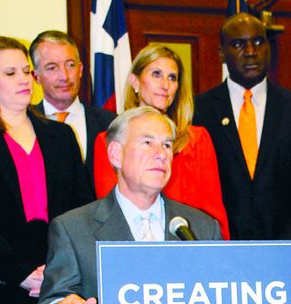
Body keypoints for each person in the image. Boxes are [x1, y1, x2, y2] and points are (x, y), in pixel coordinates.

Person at [39, 106, 223, 304]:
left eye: (167, 145)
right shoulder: (73, 230)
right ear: (116, 154)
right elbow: (55, 297)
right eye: (147, 142)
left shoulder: (202, 229)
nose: (161, 154)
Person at [193, 13, 291, 240]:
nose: (251, 52)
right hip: (219, 247)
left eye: (258, 42)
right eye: (238, 44)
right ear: (221, 53)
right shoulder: (198, 112)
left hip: (290, 248)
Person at [0, 35, 93, 304]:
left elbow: (82, 210)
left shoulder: (61, 136)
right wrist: (20, 273)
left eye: (26, 71)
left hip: (61, 281)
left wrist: (59, 271)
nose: (24, 80)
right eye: (10, 73)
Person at [93, 44, 230, 239]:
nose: (165, 85)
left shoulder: (197, 139)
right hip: (130, 246)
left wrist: (220, 259)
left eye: (172, 77)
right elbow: (110, 211)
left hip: (187, 245)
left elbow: (215, 214)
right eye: (156, 74)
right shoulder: (109, 141)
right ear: (135, 81)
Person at [29, 30, 116, 190]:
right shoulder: (25, 123)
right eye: (52, 68)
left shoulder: (110, 122)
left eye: (70, 65)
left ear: (81, 69)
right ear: (36, 77)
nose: (64, 76)